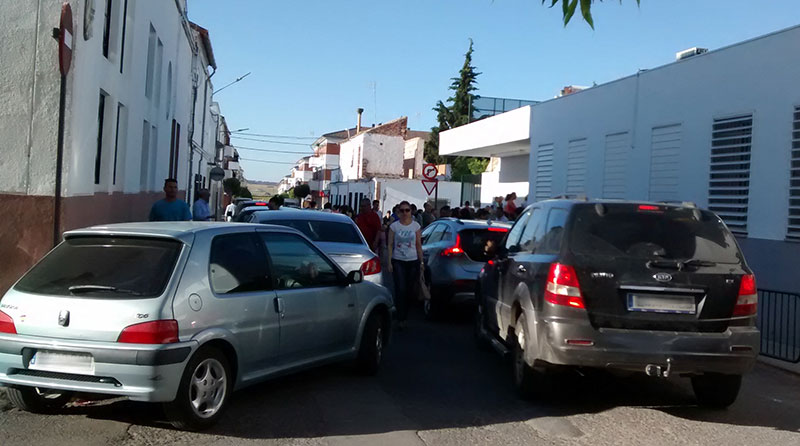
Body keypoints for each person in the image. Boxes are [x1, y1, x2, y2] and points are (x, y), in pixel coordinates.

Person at [387, 201, 423, 328]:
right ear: (398, 212)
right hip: (398, 260)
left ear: (411, 211)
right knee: (400, 288)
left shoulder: (416, 226)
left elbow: (418, 245)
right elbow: (390, 244)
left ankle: (405, 315)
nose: (404, 213)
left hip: (413, 260)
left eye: (407, 210)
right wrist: (389, 261)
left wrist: (421, 261)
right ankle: (400, 317)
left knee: (409, 290)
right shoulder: (394, 227)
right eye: (401, 210)